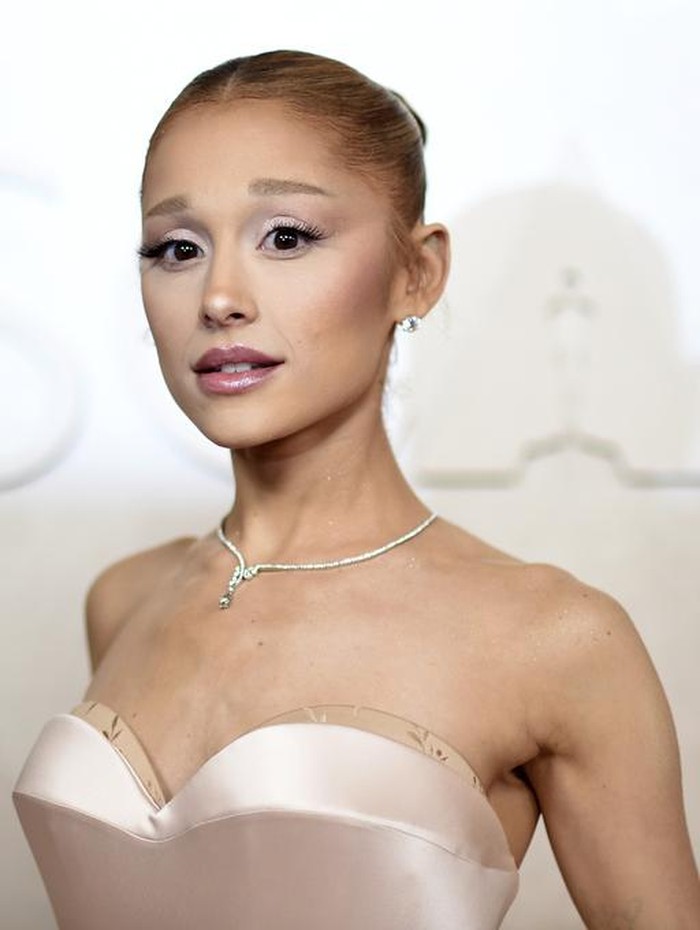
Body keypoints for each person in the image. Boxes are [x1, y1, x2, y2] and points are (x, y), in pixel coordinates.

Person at [12, 49, 700, 930]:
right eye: (177, 248)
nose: (220, 296)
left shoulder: (554, 641)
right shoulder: (123, 600)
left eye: (286, 237)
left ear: (418, 273)